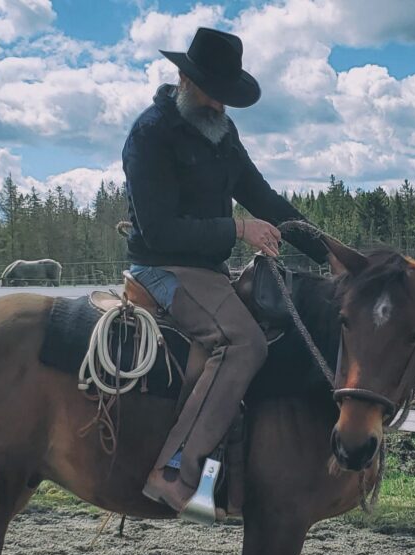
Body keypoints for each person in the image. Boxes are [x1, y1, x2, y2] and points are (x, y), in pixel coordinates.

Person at [122, 26, 329, 515]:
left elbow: (261, 195)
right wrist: (238, 230)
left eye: (225, 97)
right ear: (184, 79)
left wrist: (328, 251)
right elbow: (158, 231)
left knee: (274, 336)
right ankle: (175, 469)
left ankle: (233, 476)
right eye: (213, 93)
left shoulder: (222, 133)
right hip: (162, 267)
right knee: (243, 343)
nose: (219, 105)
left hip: (207, 271)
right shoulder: (150, 134)